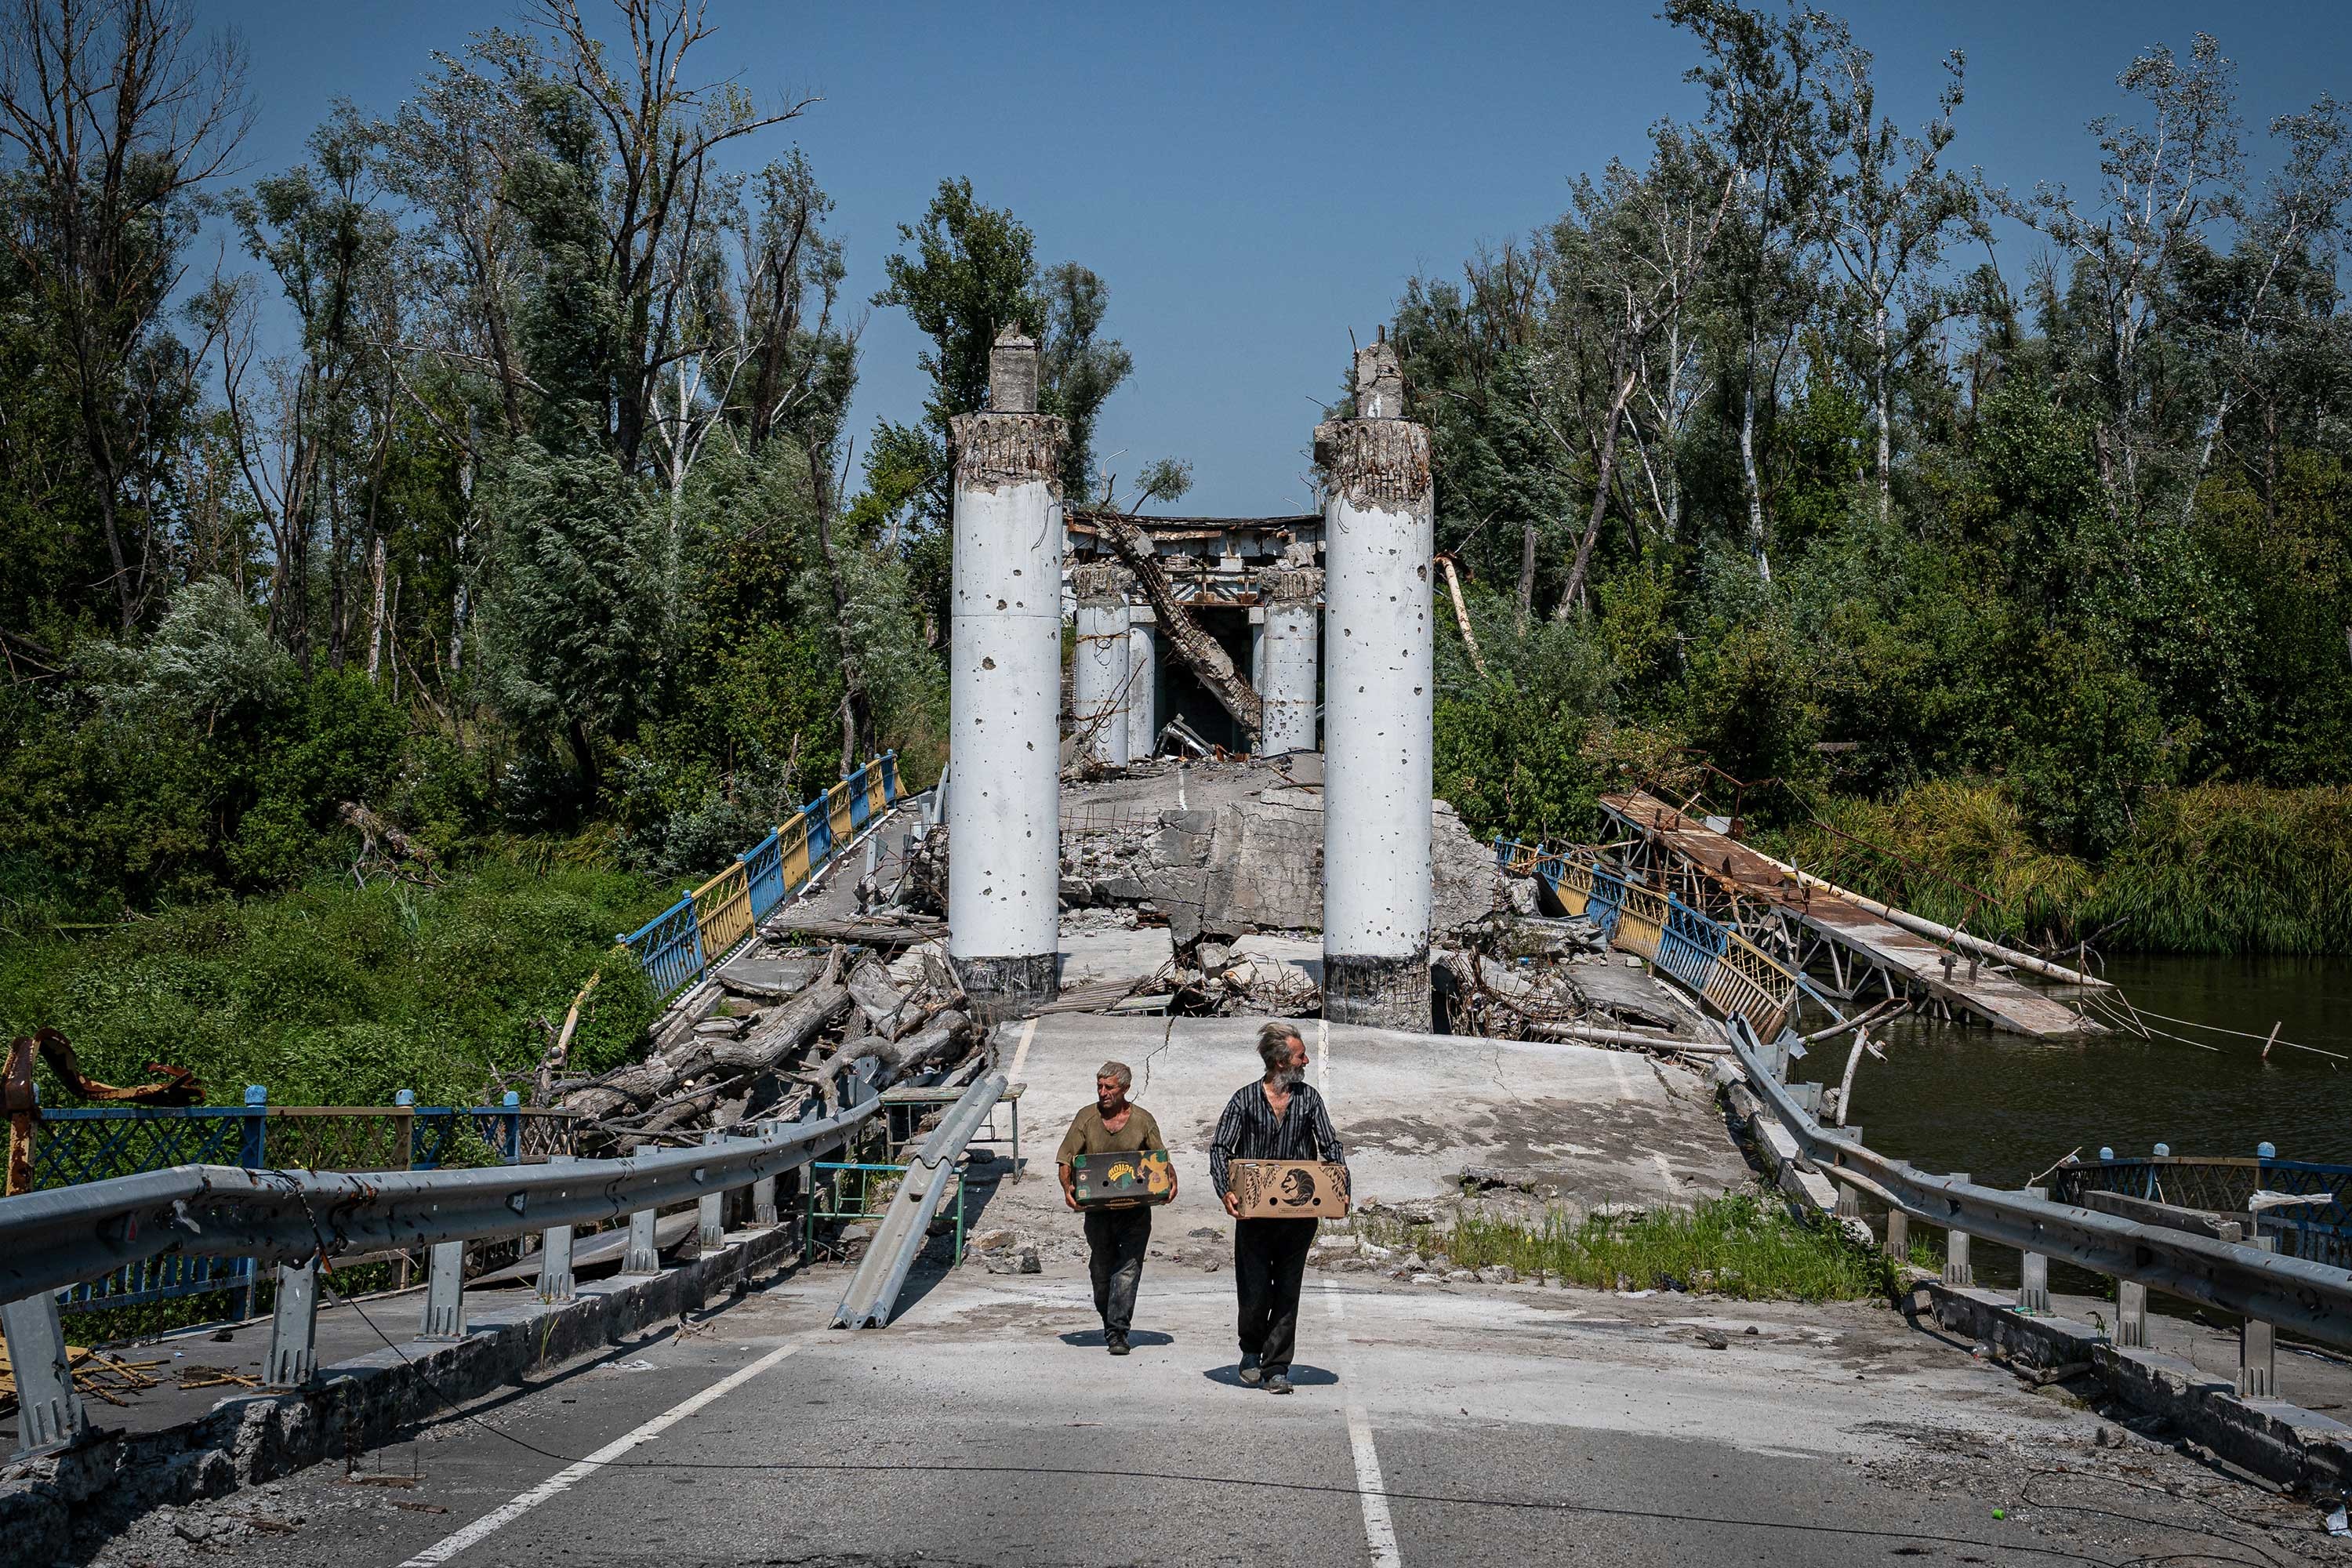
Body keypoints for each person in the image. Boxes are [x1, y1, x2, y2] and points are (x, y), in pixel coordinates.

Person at [1208, 1021, 1345, 1395]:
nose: (1307, 1060)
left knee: (1287, 1290)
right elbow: (1220, 1148)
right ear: (1281, 1062)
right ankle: (1251, 1352)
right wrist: (1226, 1191)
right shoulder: (1244, 1099)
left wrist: (1341, 1185)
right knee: (1254, 1289)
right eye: (1301, 1055)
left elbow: (1331, 1146)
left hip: (1299, 1217)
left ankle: (1277, 1366)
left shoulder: (1309, 1099)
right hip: (1254, 1215)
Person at [1055, 1060, 1173, 1356]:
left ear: (1125, 1089)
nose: (1103, 1092)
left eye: (1109, 1087)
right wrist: (1067, 1188)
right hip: (1097, 1211)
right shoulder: (1087, 1118)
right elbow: (1066, 1159)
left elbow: (1160, 1158)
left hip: (1134, 1210)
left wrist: (1171, 1181)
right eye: (1099, 1086)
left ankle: (1118, 1331)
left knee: (1128, 1268)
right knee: (1101, 1269)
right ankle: (1109, 1318)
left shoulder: (1143, 1120)